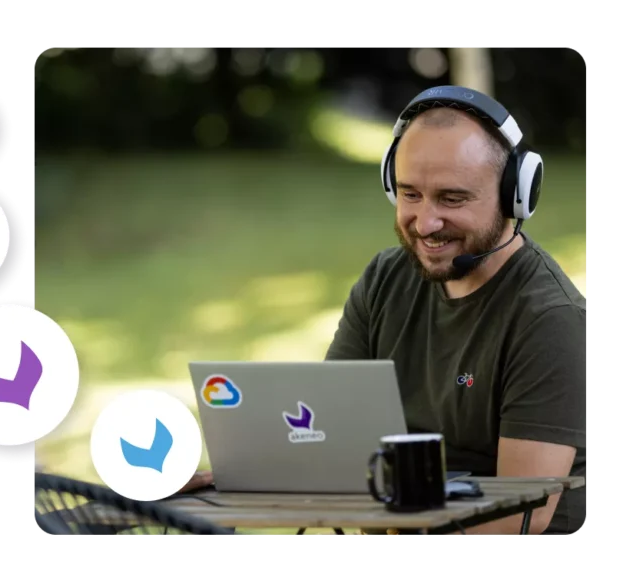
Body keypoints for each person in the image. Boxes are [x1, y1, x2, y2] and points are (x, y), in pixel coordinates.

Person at [183, 87, 591, 535]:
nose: (426, 222)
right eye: (410, 194)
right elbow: (329, 434)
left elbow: (520, 514)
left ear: (516, 195)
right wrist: (237, 480)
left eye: (452, 199)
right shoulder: (385, 279)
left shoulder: (549, 317)